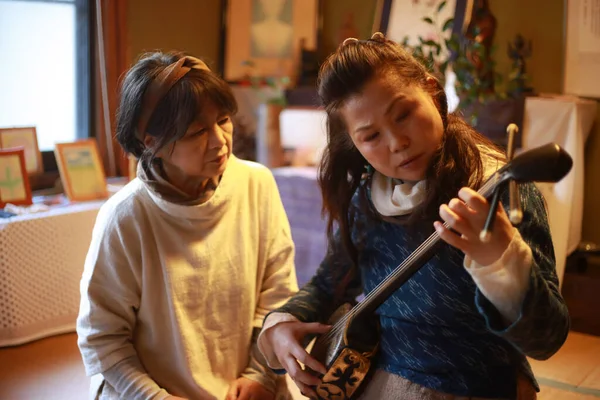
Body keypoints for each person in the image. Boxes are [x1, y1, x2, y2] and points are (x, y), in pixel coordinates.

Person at [257, 33, 569, 400]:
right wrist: (281, 326)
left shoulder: (495, 189)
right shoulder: (367, 197)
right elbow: (328, 284)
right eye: (371, 136)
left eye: (403, 114)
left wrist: (500, 260)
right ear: (353, 144)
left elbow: (546, 338)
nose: (396, 142)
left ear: (433, 93)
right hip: (375, 381)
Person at [76, 51, 298, 400]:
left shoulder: (256, 183)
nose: (220, 140)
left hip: (248, 386)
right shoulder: (126, 216)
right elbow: (102, 339)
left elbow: (278, 294)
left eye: (223, 119)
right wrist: (154, 397)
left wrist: (260, 374)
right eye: (197, 131)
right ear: (152, 143)